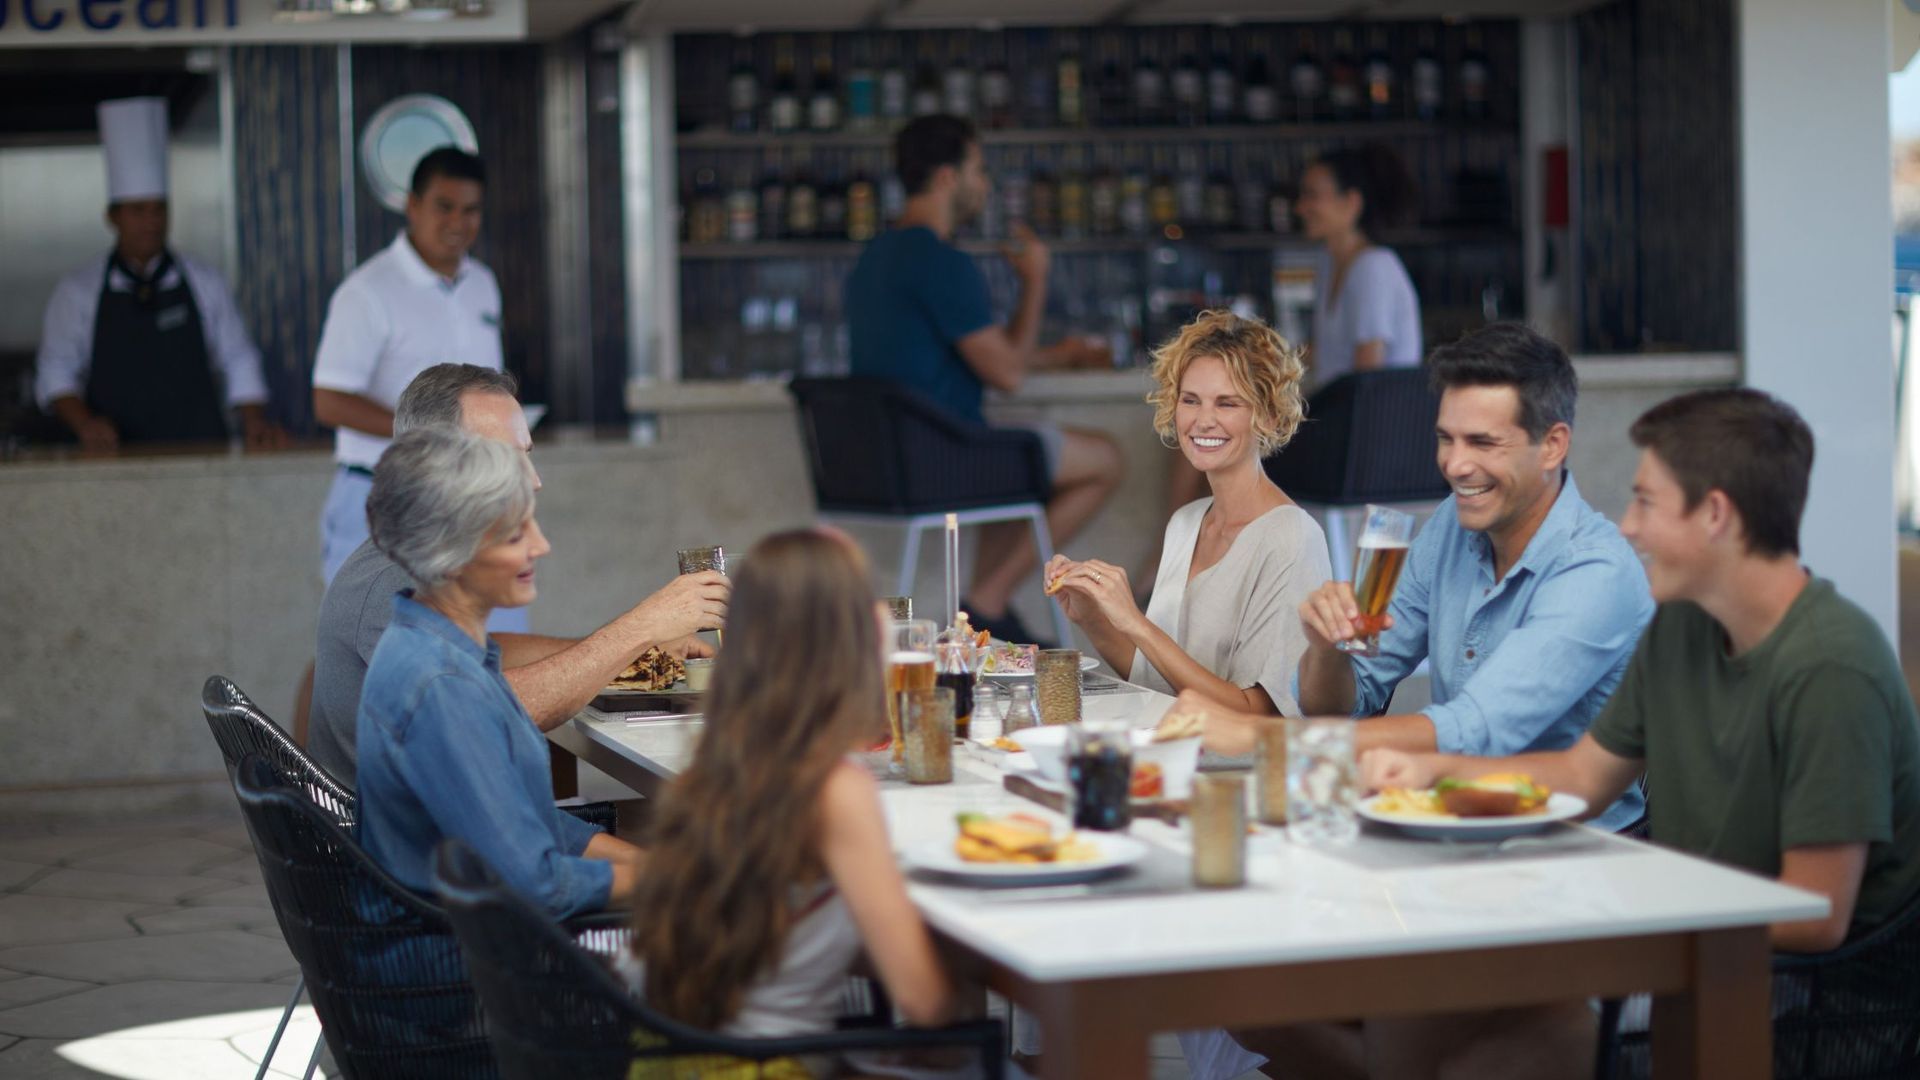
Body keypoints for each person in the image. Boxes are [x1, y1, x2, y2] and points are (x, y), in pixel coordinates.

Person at [1356, 388, 1920, 1078]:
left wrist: (1614, 915)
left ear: (1715, 515)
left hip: (1811, 1000)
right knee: (1417, 1009)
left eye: (1646, 501)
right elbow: (1584, 778)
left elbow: (1816, 914)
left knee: (1486, 1060)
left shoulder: (1833, 666)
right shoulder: (1682, 622)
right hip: (1690, 949)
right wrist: (1432, 775)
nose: (1626, 525)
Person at [1173, 323, 1651, 830]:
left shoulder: (1595, 571)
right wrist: (1326, 651)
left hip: (1577, 854)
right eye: (1447, 439)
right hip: (1449, 829)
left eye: (1482, 443)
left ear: (1553, 445)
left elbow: (1477, 728)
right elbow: (1350, 699)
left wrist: (1253, 736)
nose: (1456, 465)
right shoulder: (1451, 524)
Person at [622, 529, 981, 1077]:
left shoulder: (720, 757)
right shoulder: (835, 789)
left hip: (665, 1059)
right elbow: (924, 1005)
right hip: (762, 1068)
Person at [308, 363, 727, 788]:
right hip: (407, 849)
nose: (535, 481)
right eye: (507, 459)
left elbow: (484, 656)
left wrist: (637, 652)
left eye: (527, 455)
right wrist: (642, 626)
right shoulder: (391, 579)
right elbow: (487, 712)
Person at [846, 114, 1122, 646]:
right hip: (941, 458)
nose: (986, 184)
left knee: (1021, 460)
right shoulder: (939, 260)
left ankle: (988, 604)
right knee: (1106, 460)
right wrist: (1037, 281)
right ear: (948, 177)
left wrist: (1056, 356)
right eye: (978, 169)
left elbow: (984, 356)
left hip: (890, 460)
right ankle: (987, 601)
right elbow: (1008, 373)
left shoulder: (875, 257)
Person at [356, 428, 645, 917]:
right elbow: (537, 886)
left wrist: (652, 868)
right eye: (516, 534)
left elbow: (519, 826)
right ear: (454, 553)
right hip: (458, 968)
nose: (542, 546)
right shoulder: (442, 686)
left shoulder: (435, 646)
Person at [1045, 311, 1330, 720]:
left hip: (1237, 772)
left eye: (1227, 403)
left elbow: (1260, 716)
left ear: (1267, 415)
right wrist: (1094, 618)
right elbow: (1159, 682)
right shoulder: (1187, 523)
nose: (1203, 420)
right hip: (1171, 751)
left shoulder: (1291, 537)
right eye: (1190, 400)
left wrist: (1136, 623)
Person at [35, 97, 284, 452]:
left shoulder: (204, 281)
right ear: (113, 217)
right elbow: (55, 371)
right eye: (138, 211)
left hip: (202, 453)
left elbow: (238, 358)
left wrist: (254, 420)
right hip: (116, 458)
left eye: (159, 210)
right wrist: (86, 424)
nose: (151, 222)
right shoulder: (78, 290)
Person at [310, 146, 506, 594]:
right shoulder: (367, 291)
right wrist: (429, 429)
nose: (458, 222)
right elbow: (329, 400)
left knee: (476, 646)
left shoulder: (482, 284)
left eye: (471, 210)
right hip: (382, 496)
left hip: (464, 498)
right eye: (444, 207)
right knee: (364, 646)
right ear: (412, 205)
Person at [1297, 145, 1423, 386]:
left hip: (1377, 420)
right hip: (1341, 416)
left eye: (1312, 195)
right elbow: (1324, 351)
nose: (1300, 208)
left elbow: (1369, 372)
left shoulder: (1373, 268)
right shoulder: (1327, 263)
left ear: (1351, 203)